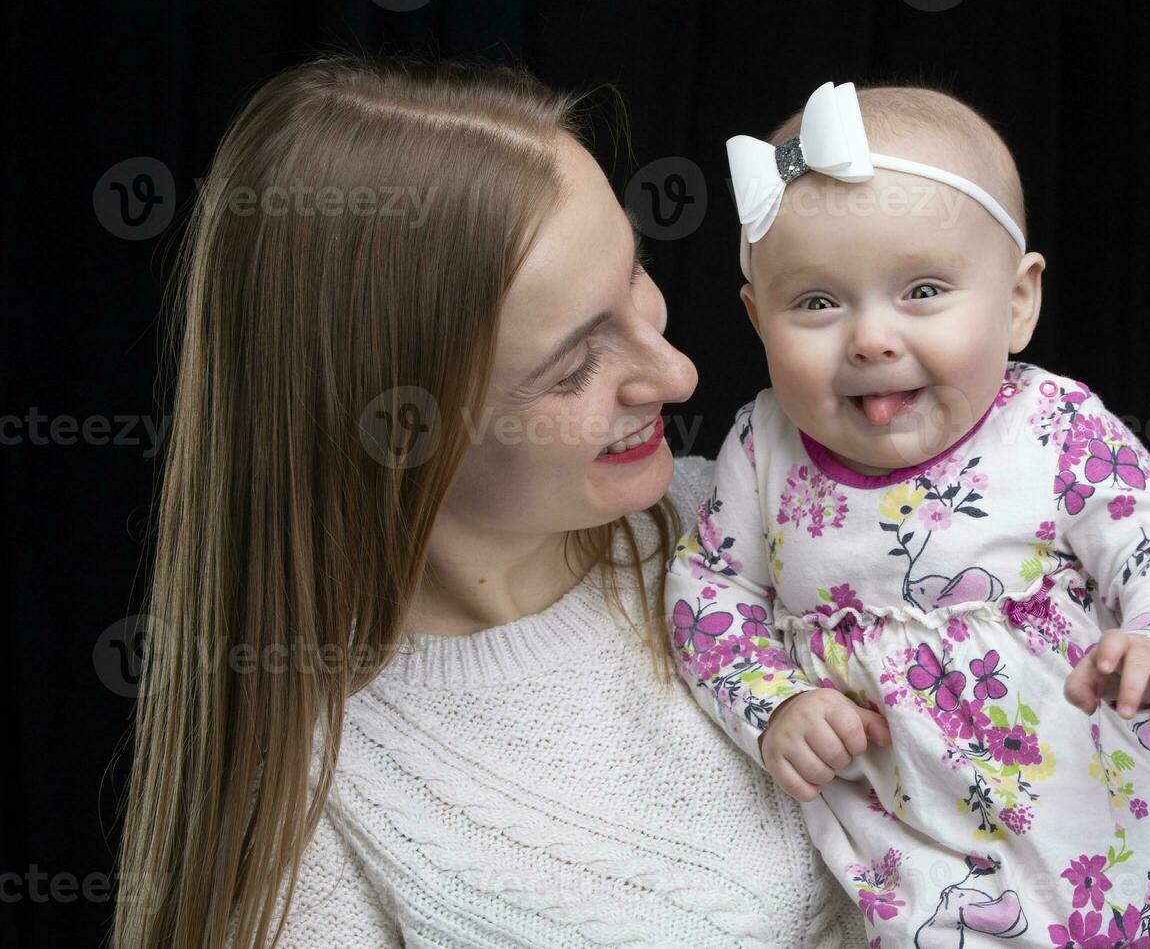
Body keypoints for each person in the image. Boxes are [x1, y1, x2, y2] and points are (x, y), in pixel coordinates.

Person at [111, 56, 868, 948]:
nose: (678, 372)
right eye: (576, 363)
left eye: (635, 275)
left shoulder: (771, 520)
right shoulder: (319, 810)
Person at [664, 81, 1150, 948]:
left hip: (1111, 812)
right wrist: (777, 704)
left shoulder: (1051, 427)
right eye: (816, 303)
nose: (870, 338)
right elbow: (710, 591)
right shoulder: (762, 449)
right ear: (758, 319)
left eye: (921, 291)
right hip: (924, 844)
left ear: (1017, 302)